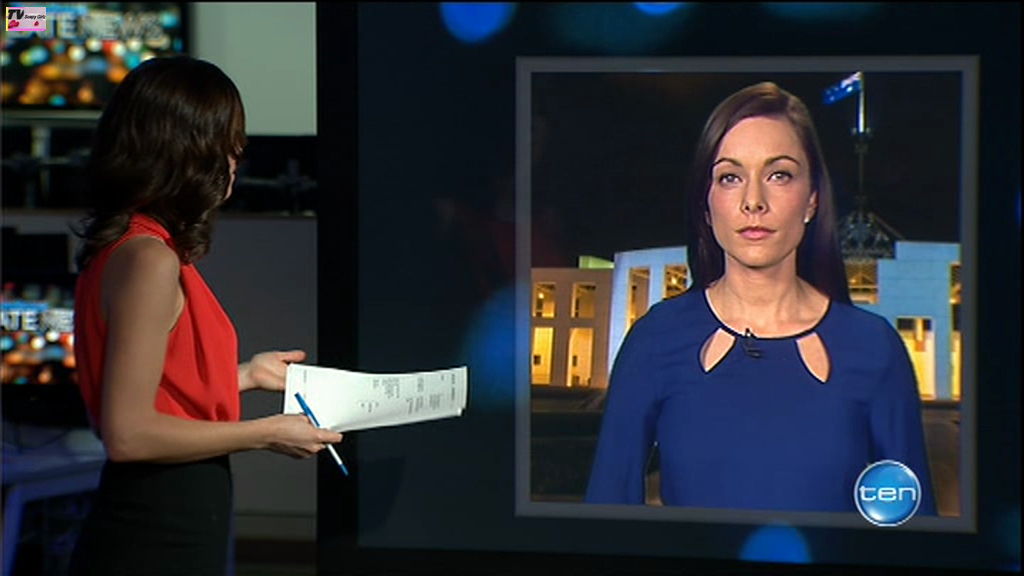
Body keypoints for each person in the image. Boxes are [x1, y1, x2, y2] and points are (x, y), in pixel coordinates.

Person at [585, 81, 936, 514]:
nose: (754, 201)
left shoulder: (875, 348)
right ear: (706, 205)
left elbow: (913, 527)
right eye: (730, 177)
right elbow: (606, 516)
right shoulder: (655, 340)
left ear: (811, 200)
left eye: (779, 175)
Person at [67, 56, 343, 575]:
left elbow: (154, 392)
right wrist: (266, 432)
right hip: (154, 532)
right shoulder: (149, 258)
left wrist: (245, 376)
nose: (236, 158)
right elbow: (128, 433)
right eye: (229, 142)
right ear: (191, 149)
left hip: (168, 520)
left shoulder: (136, 248)